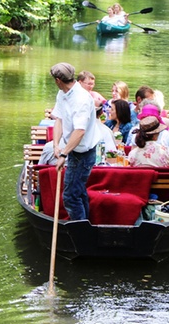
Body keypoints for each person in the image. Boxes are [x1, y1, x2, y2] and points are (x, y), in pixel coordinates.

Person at [49, 62, 100, 221]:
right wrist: (56, 145)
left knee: (70, 196)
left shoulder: (81, 99)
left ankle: (81, 232)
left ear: (58, 80)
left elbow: (79, 131)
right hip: (73, 150)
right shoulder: (62, 94)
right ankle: (86, 226)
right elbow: (59, 119)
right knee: (78, 191)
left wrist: (64, 153)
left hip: (84, 153)